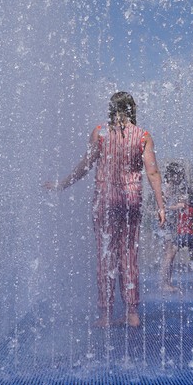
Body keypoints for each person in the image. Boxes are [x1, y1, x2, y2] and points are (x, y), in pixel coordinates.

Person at [45, 91, 166, 328]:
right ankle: (132, 312)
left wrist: (62, 184)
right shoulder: (143, 136)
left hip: (106, 201)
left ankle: (106, 314)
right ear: (132, 109)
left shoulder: (100, 133)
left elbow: (86, 165)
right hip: (131, 200)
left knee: (106, 255)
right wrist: (161, 205)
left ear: (111, 108)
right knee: (129, 254)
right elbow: (152, 172)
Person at [159, 162, 193, 293]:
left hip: (170, 224)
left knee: (169, 254)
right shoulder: (166, 188)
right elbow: (161, 207)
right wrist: (177, 206)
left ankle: (167, 282)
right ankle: (165, 283)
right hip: (166, 224)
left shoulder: (170, 187)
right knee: (169, 254)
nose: (180, 178)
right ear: (172, 175)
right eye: (179, 175)